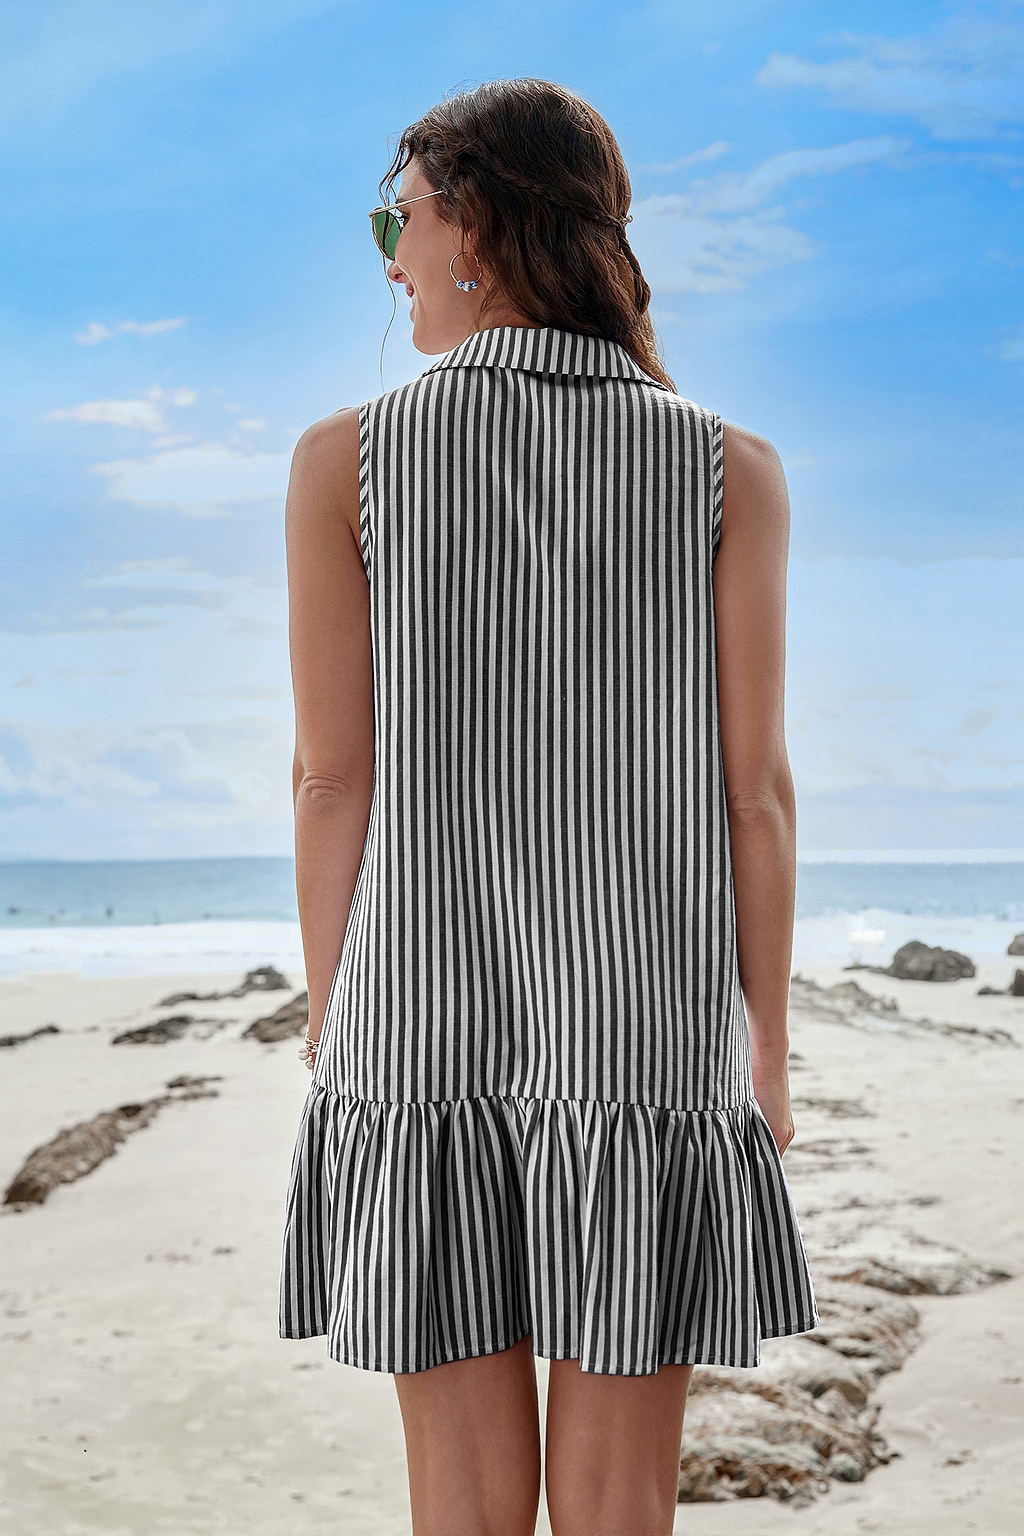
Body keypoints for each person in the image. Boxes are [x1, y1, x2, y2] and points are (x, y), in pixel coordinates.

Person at [278, 77, 819, 1536]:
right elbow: (752, 796)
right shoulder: (728, 469)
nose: (388, 258)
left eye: (399, 216)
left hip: (418, 1029)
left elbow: (335, 779)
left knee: (459, 1512)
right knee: (621, 1510)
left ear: (481, 225)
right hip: (648, 1035)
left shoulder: (347, 460)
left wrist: (336, 1018)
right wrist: (765, 1046)